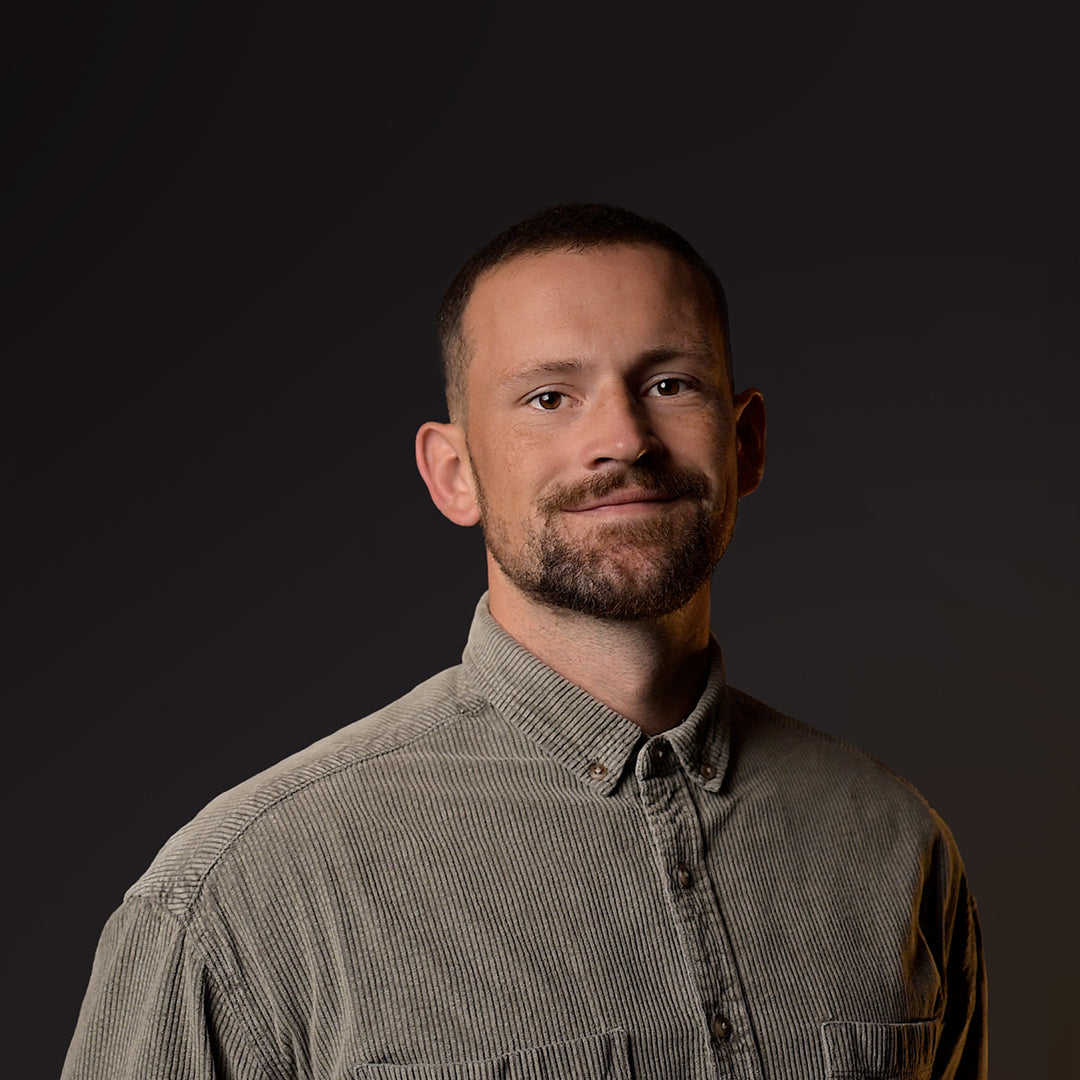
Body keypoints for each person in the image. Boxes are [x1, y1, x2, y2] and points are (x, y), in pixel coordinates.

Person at [62, 203, 987, 1080]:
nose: (623, 437)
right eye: (549, 397)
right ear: (455, 474)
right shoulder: (242, 899)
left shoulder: (895, 846)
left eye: (669, 384)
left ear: (743, 445)